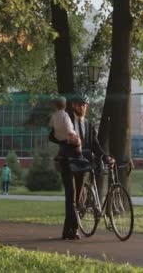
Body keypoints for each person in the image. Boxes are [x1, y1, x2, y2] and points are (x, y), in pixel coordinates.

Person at [49, 94, 114, 240]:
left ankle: (71, 230)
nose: (82, 107)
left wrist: (105, 156)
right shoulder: (66, 119)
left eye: (84, 105)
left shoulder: (89, 125)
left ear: (87, 107)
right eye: (79, 105)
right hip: (67, 160)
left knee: (78, 198)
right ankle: (72, 230)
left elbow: (96, 146)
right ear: (73, 106)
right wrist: (67, 140)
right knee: (70, 196)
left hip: (82, 162)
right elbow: (52, 136)